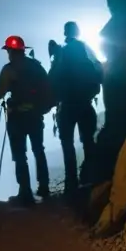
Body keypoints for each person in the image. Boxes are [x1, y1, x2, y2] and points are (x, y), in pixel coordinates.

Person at [0, 35, 52, 205]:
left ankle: (25, 192)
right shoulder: (36, 66)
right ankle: (44, 186)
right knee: (38, 150)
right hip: (35, 115)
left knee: (20, 155)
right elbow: (47, 88)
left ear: (10, 51)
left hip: (17, 117)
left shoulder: (9, 69)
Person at [49, 21, 103, 196]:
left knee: (67, 143)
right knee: (88, 141)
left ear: (65, 33)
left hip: (67, 106)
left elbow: (52, 78)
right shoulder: (86, 53)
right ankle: (89, 177)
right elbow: (99, 74)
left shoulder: (61, 53)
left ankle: (71, 182)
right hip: (85, 104)